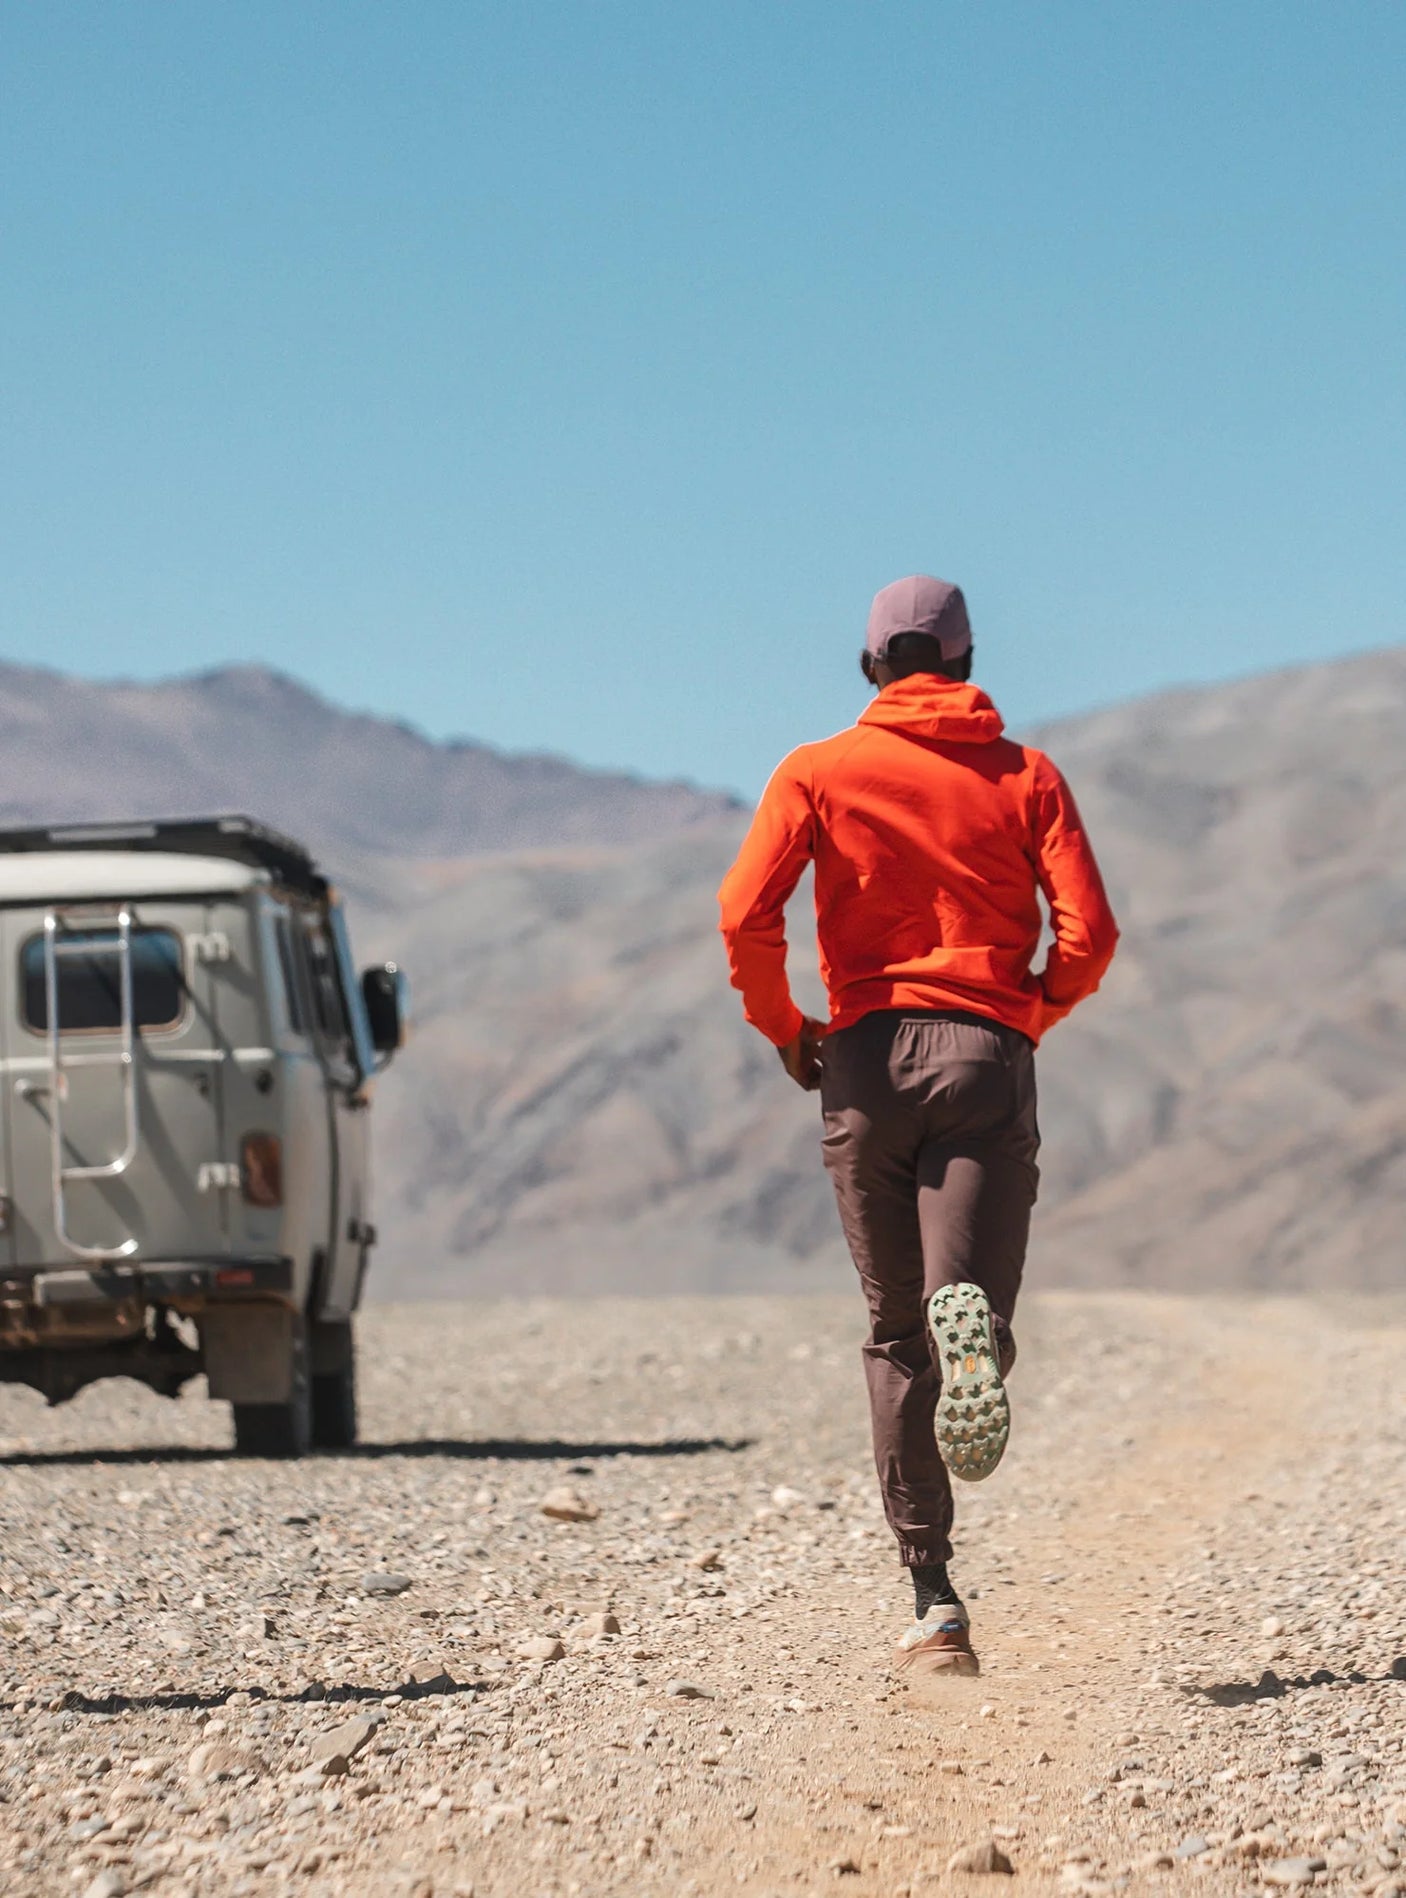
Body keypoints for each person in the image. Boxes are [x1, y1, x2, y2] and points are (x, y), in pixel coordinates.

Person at [718, 575, 1118, 1684]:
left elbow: (742, 914)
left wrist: (786, 1028)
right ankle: (978, 1330)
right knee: (966, 1312)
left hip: (861, 1056)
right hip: (983, 1051)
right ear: (969, 658)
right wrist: (1029, 1008)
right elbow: (1088, 929)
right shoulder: (1024, 773)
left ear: (868, 671)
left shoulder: (814, 770)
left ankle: (932, 1598)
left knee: (896, 1335)